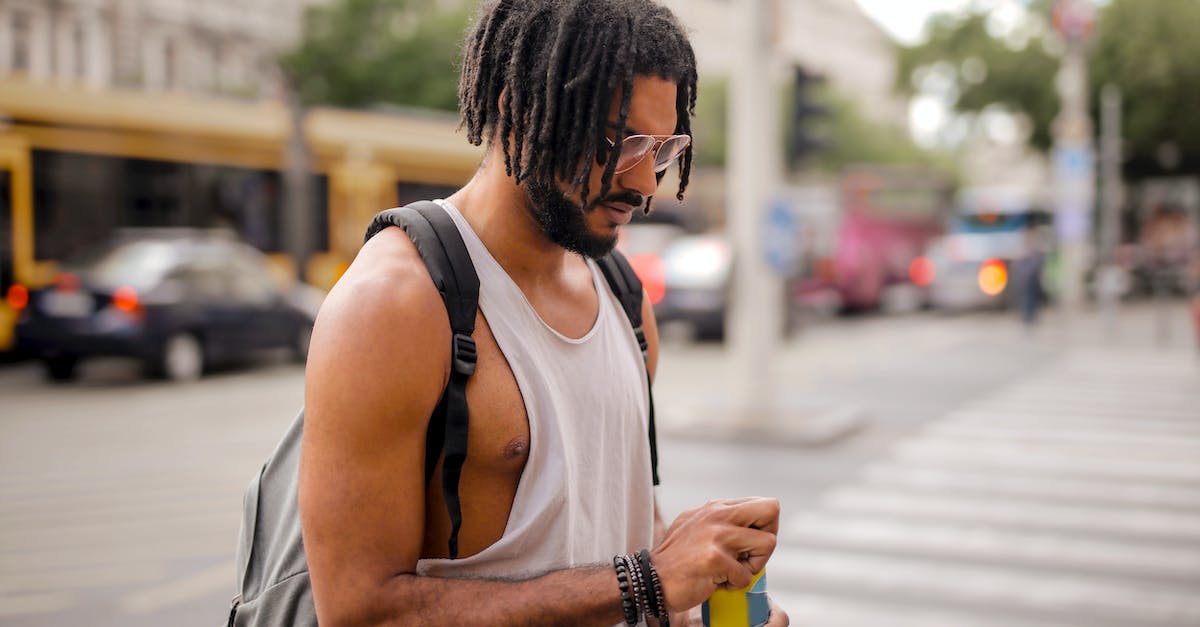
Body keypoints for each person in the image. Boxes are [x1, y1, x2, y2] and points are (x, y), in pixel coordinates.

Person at [298, 1, 788, 625]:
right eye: (617, 141)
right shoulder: (395, 303)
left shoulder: (624, 298)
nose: (643, 184)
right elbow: (360, 609)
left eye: (661, 149)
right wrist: (646, 581)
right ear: (514, 109)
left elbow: (623, 524)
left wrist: (692, 598)